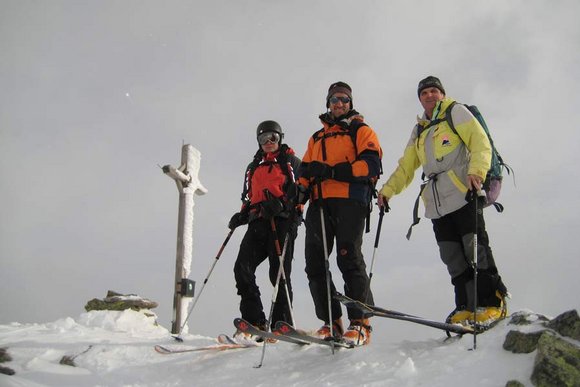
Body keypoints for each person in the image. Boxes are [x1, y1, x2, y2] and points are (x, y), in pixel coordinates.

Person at [378, 76, 508, 326]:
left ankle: (492, 302)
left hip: (464, 192)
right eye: (424, 92)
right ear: (419, 98)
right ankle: (466, 306)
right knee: (452, 256)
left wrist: (477, 172)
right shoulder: (419, 130)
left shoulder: (455, 112)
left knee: (476, 248)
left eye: (434, 91)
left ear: (442, 93)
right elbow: (407, 166)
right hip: (437, 203)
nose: (430, 95)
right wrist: (387, 191)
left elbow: (479, 142)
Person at [298, 81, 382, 346]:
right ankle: (331, 320)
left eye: (344, 100)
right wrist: (299, 194)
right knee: (314, 263)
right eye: (335, 99)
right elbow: (305, 172)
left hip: (350, 200)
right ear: (328, 103)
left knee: (348, 257)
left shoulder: (360, 129)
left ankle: (360, 322)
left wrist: (334, 172)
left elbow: (371, 164)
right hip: (319, 203)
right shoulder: (317, 137)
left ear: (350, 103)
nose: (339, 104)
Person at [229, 120, 302, 341]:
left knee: (277, 272)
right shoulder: (253, 167)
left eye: (273, 137)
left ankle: (282, 323)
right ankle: (254, 321)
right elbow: (249, 196)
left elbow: (302, 190)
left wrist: (282, 204)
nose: (269, 142)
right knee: (242, 267)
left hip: (283, 221)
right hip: (259, 221)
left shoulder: (290, 161)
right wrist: (242, 214)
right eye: (263, 139)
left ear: (280, 138)